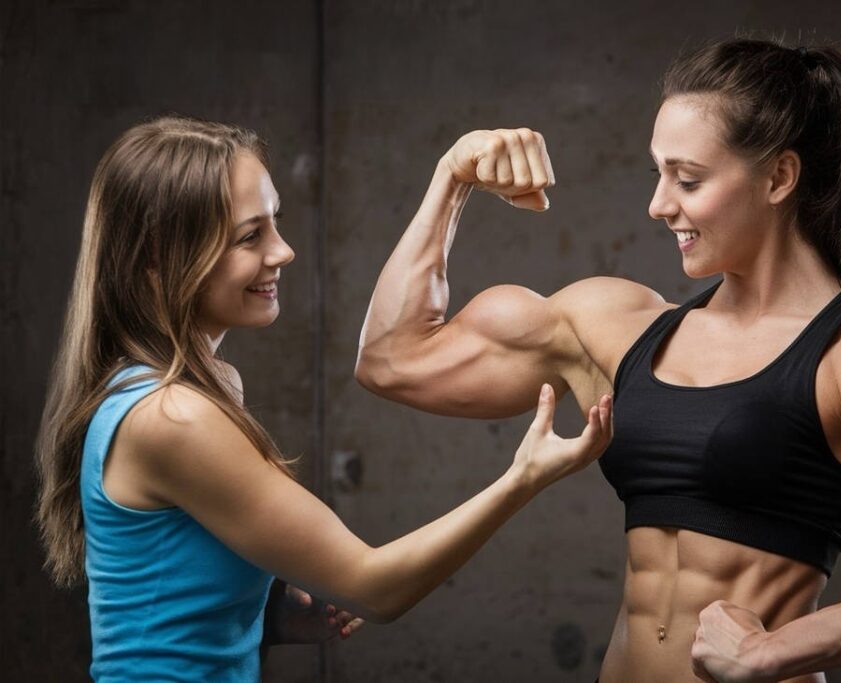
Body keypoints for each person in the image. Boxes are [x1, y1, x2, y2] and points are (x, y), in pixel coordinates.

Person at [355, 38, 841, 682]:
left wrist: (780, 649)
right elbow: (393, 358)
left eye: (688, 179)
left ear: (780, 176)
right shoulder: (617, 326)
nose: (660, 204)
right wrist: (451, 178)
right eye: (659, 173)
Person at [34, 116, 612, 682]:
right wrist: (523, 478)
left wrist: (263, 619)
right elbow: (375, 588)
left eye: (274, 223)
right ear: (156, 261)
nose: (283, 252)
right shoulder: (171, 417)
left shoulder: (192, 389)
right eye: (249, 236)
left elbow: (154, 596)